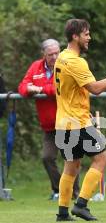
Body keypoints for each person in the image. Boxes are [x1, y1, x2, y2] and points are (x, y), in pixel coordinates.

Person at [54, 19, 106, 221]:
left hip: (63, 122)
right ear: (75, 36)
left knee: (71, 166)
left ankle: (63, 212)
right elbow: (96, 89)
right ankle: (81, 204)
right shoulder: (76, 61)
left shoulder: (61, 57)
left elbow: (71, 91)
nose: (89, 37)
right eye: (86, 34)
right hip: (77, 123)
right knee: (102, 160)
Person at [18, 39, 80, 200]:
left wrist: (39, 89)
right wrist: (30, 90)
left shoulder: (66, 65)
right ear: (43, 55)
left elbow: (60, 89)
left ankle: (75, 192)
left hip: (67, 121)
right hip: (49, 126)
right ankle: (59, 190)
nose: (54, 57)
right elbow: (23, 86)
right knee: (47, 158)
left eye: (56, 53)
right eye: (50, 54)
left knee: (71, 158)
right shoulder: (36, 67)